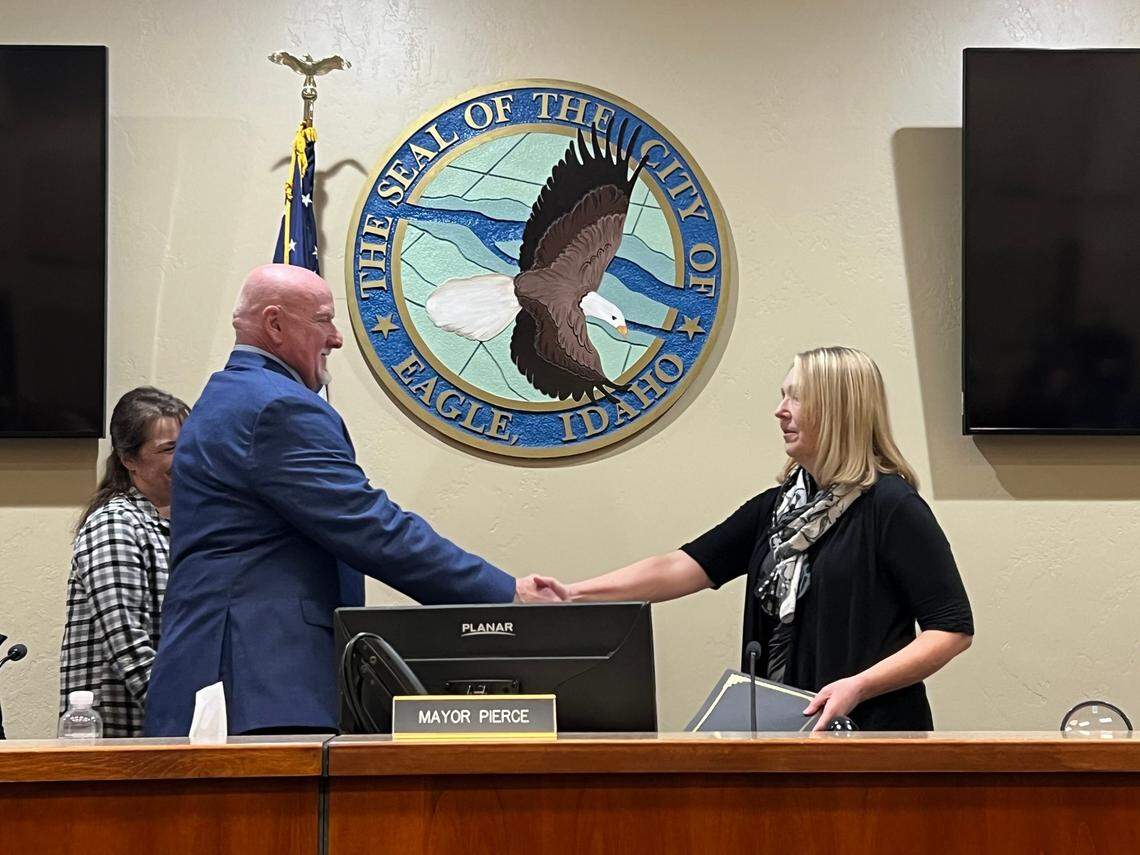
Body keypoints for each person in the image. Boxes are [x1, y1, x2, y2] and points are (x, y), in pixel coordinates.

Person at [145, 264, 561, 737]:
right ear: (276, 325)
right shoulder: (276, 407)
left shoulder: (229, 397)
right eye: (324, 320)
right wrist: (506, 595)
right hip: (258, 683)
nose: (337, 338)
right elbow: (370, 527)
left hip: (227, 677)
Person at [541, 347, 973, 731]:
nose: (780, 411)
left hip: (869, 736)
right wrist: (575, 595)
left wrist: (859, 686)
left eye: (796, 397)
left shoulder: (891, 506)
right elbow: (682, 566)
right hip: (783, 731)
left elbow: (951, 630)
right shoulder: (776, 509)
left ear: (838, 408)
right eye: (783, 395)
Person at [59, 386, 190, 737]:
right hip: (122, 748)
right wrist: (185, 722)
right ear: (128, 459)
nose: (187, 457)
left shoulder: (179, 524)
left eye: (190, 443)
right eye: (170, 449)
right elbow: (128, 645)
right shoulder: (115, 524)